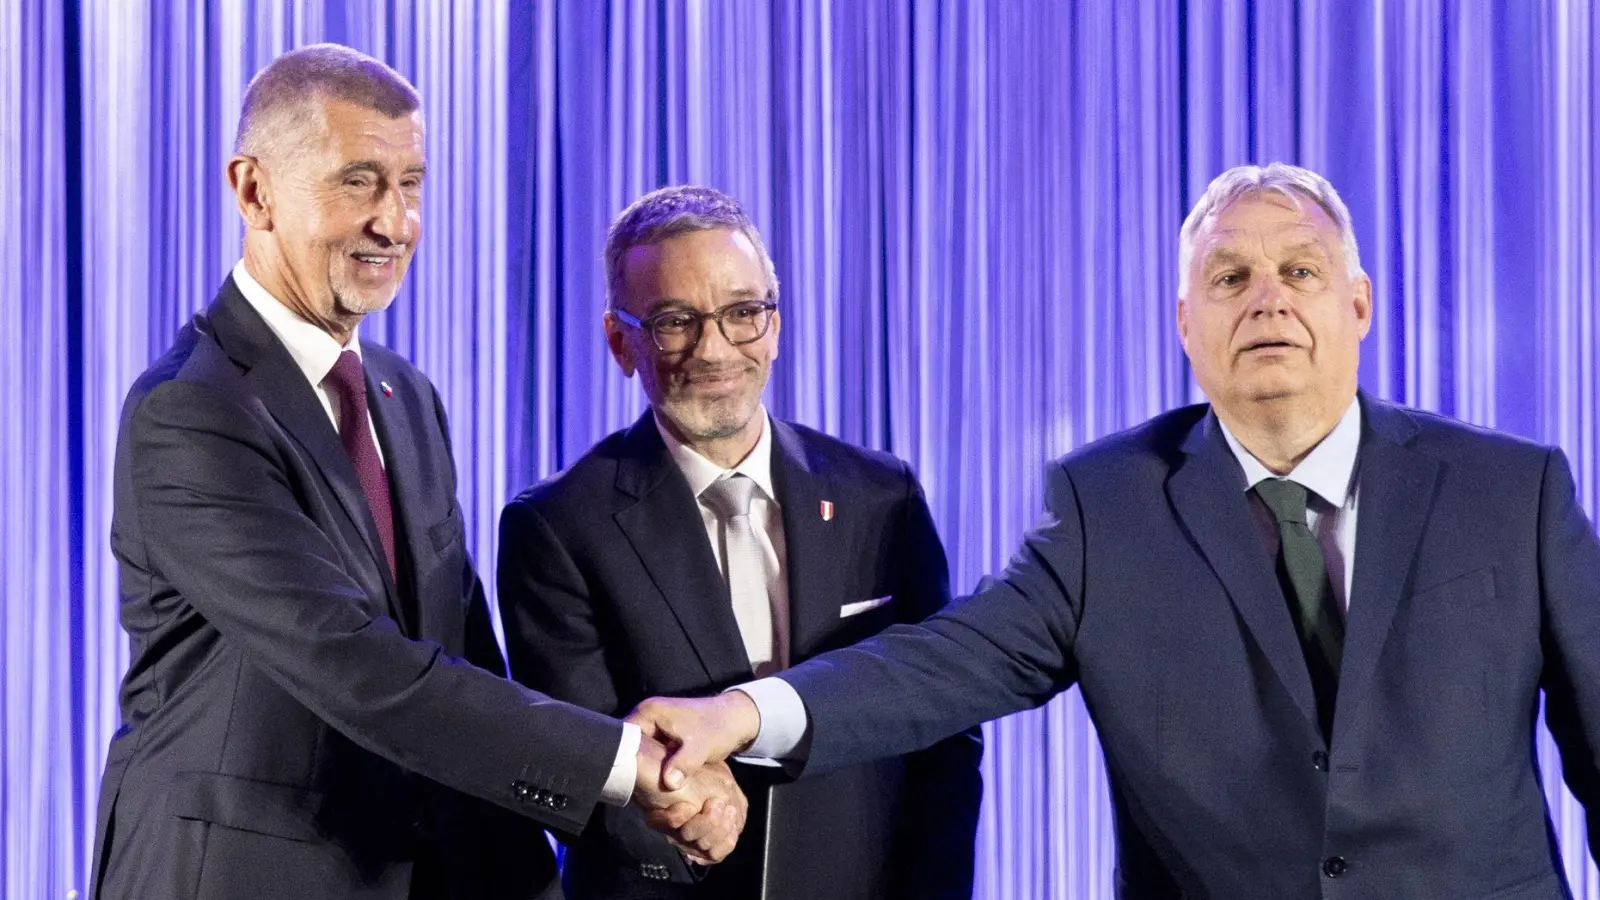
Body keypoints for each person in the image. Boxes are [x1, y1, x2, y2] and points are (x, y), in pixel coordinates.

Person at [631, 163, 1600, 898]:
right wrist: (740, 716)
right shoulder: (1109, 506)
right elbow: (943, 662)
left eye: (1298, 270)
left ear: (1357, 305)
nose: (1265, 296)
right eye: (1228, 278)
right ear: (1186, 323)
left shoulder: (1511, 490)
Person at [91, 44, 742, 900]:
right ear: (253, 190)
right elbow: (357, 665)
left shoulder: (405, 397)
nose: (395, 223)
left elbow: (460, 654)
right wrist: (633, 766)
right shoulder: (191, 412)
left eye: (412, 185)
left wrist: (597, 837)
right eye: (358, 181)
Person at [497, 185, 982, 899]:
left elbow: (943, 731)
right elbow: (583, 767)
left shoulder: (883, 496)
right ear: (618, 341)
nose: (714, 349)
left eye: (742, 313)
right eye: (673, 321)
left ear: (775, 324)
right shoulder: (557, 526)